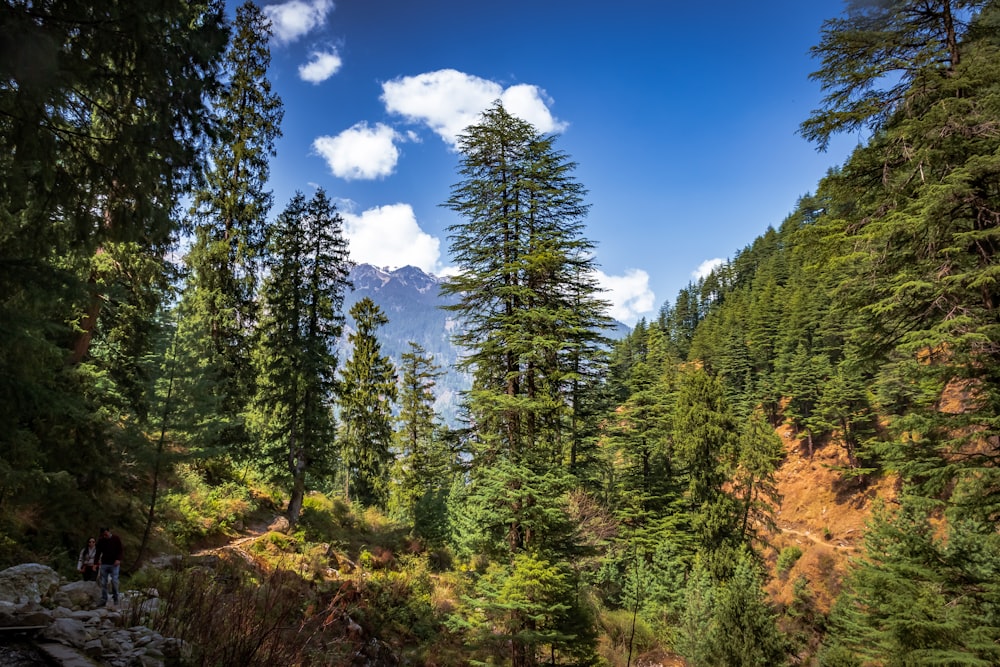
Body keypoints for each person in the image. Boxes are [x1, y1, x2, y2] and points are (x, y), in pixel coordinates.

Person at [95, 526, 123, 608]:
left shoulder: (116, 538)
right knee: (103, 582)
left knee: (114, 581)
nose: (105, 536)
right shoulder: (101, 541)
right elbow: (98, 552)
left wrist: (118, 559)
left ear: (108, 531)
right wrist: (95, 563)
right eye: (103, 535)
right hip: (104, 563)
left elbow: (120, 550)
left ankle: (116, 597)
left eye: (105, 534)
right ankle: (104, 599)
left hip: (114, 564)